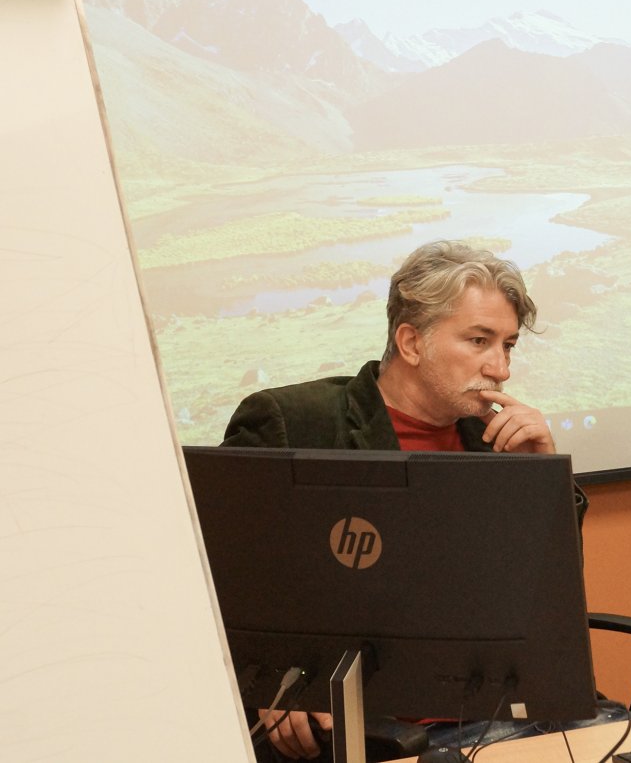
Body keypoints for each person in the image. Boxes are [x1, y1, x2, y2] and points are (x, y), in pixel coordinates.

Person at [222, 240, 596, 760]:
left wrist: (543, 482)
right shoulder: (294, 423)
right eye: (479, 340)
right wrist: (267, 685)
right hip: (371, 732)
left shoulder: (493, 442)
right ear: (411, 342)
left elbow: (544, 610)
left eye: (508, 345)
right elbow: (219, 579)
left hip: (500, 714)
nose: (502, 368)